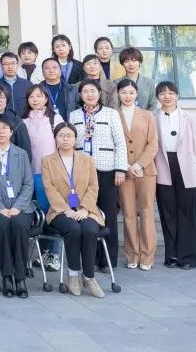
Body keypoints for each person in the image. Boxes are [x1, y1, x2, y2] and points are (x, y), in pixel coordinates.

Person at [41, 122, 107, 298]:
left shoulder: (87, 159)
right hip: (59, 211)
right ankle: (72, 275)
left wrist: (85, 208)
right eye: (61, 135)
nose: (65, 139)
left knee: (89, 229)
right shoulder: (47, 161)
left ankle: (89, 277)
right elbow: (49, 188)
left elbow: (93, 186)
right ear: (55, 138)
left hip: (86, 209)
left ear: (75, 139)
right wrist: (65, 209)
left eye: (69, 136)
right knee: (73, 228)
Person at [0, 116, 36, 298]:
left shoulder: (21, 154)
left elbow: (28, 184)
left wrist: (17, 207)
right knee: (2, 224)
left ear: (11, 132)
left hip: (21, 207)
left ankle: (20, 277)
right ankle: (7, 276)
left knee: (19, 224)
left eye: (5, 128)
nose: (1, 131)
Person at [71, 79, 127, 267]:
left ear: (99, 94)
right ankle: (91, 257)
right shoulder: (73, 115)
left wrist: (120, 169)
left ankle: (108, 260)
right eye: (85, 91)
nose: (89, 94)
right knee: (86, 213)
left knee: (108, 214)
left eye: (93, 91)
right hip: (82, 172)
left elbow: (120, 143)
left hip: (106, 169)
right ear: (80, 95)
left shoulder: (111, 113)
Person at [154, 81, 196, 270]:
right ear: (157, 97)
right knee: (168, 212)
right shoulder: (152, 117)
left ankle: (187, 257)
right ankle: (172, 255)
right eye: (162, 93)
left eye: (171, 93)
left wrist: (187, 162)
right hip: (163, 165)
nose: (167, 96)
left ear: (177, 95)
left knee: (187, 212)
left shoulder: (189, 118)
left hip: (185, 167)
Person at [116, 78, 159, 271]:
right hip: (123, 171)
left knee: (147, 212)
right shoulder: (113, 114)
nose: (127, 96)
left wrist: (139, 164)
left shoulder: (147, 115)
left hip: (145, 171)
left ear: (137, 94)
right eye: (123, 92)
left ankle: (147, 256)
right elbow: (112, 143)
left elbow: (153, 144)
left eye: (131, 92)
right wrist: (126, 165)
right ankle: (132, 254)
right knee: (128, 213)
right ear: (118, 94)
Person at [22, 83, 63, 270]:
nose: (35, 100)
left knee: (51, 213)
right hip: (29, 175)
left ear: (46, 98)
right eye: (31, 97)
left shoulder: (55, 118)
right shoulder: (23, 120)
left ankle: (53, 255)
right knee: (34, 215)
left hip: (50, 175)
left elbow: (62, 145)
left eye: (39, 96)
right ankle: (39, 253)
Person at [0, 84, 32, 164]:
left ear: (7, 99)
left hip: (12, 167)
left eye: (1, 97)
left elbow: (26, 150)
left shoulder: (16, 121)